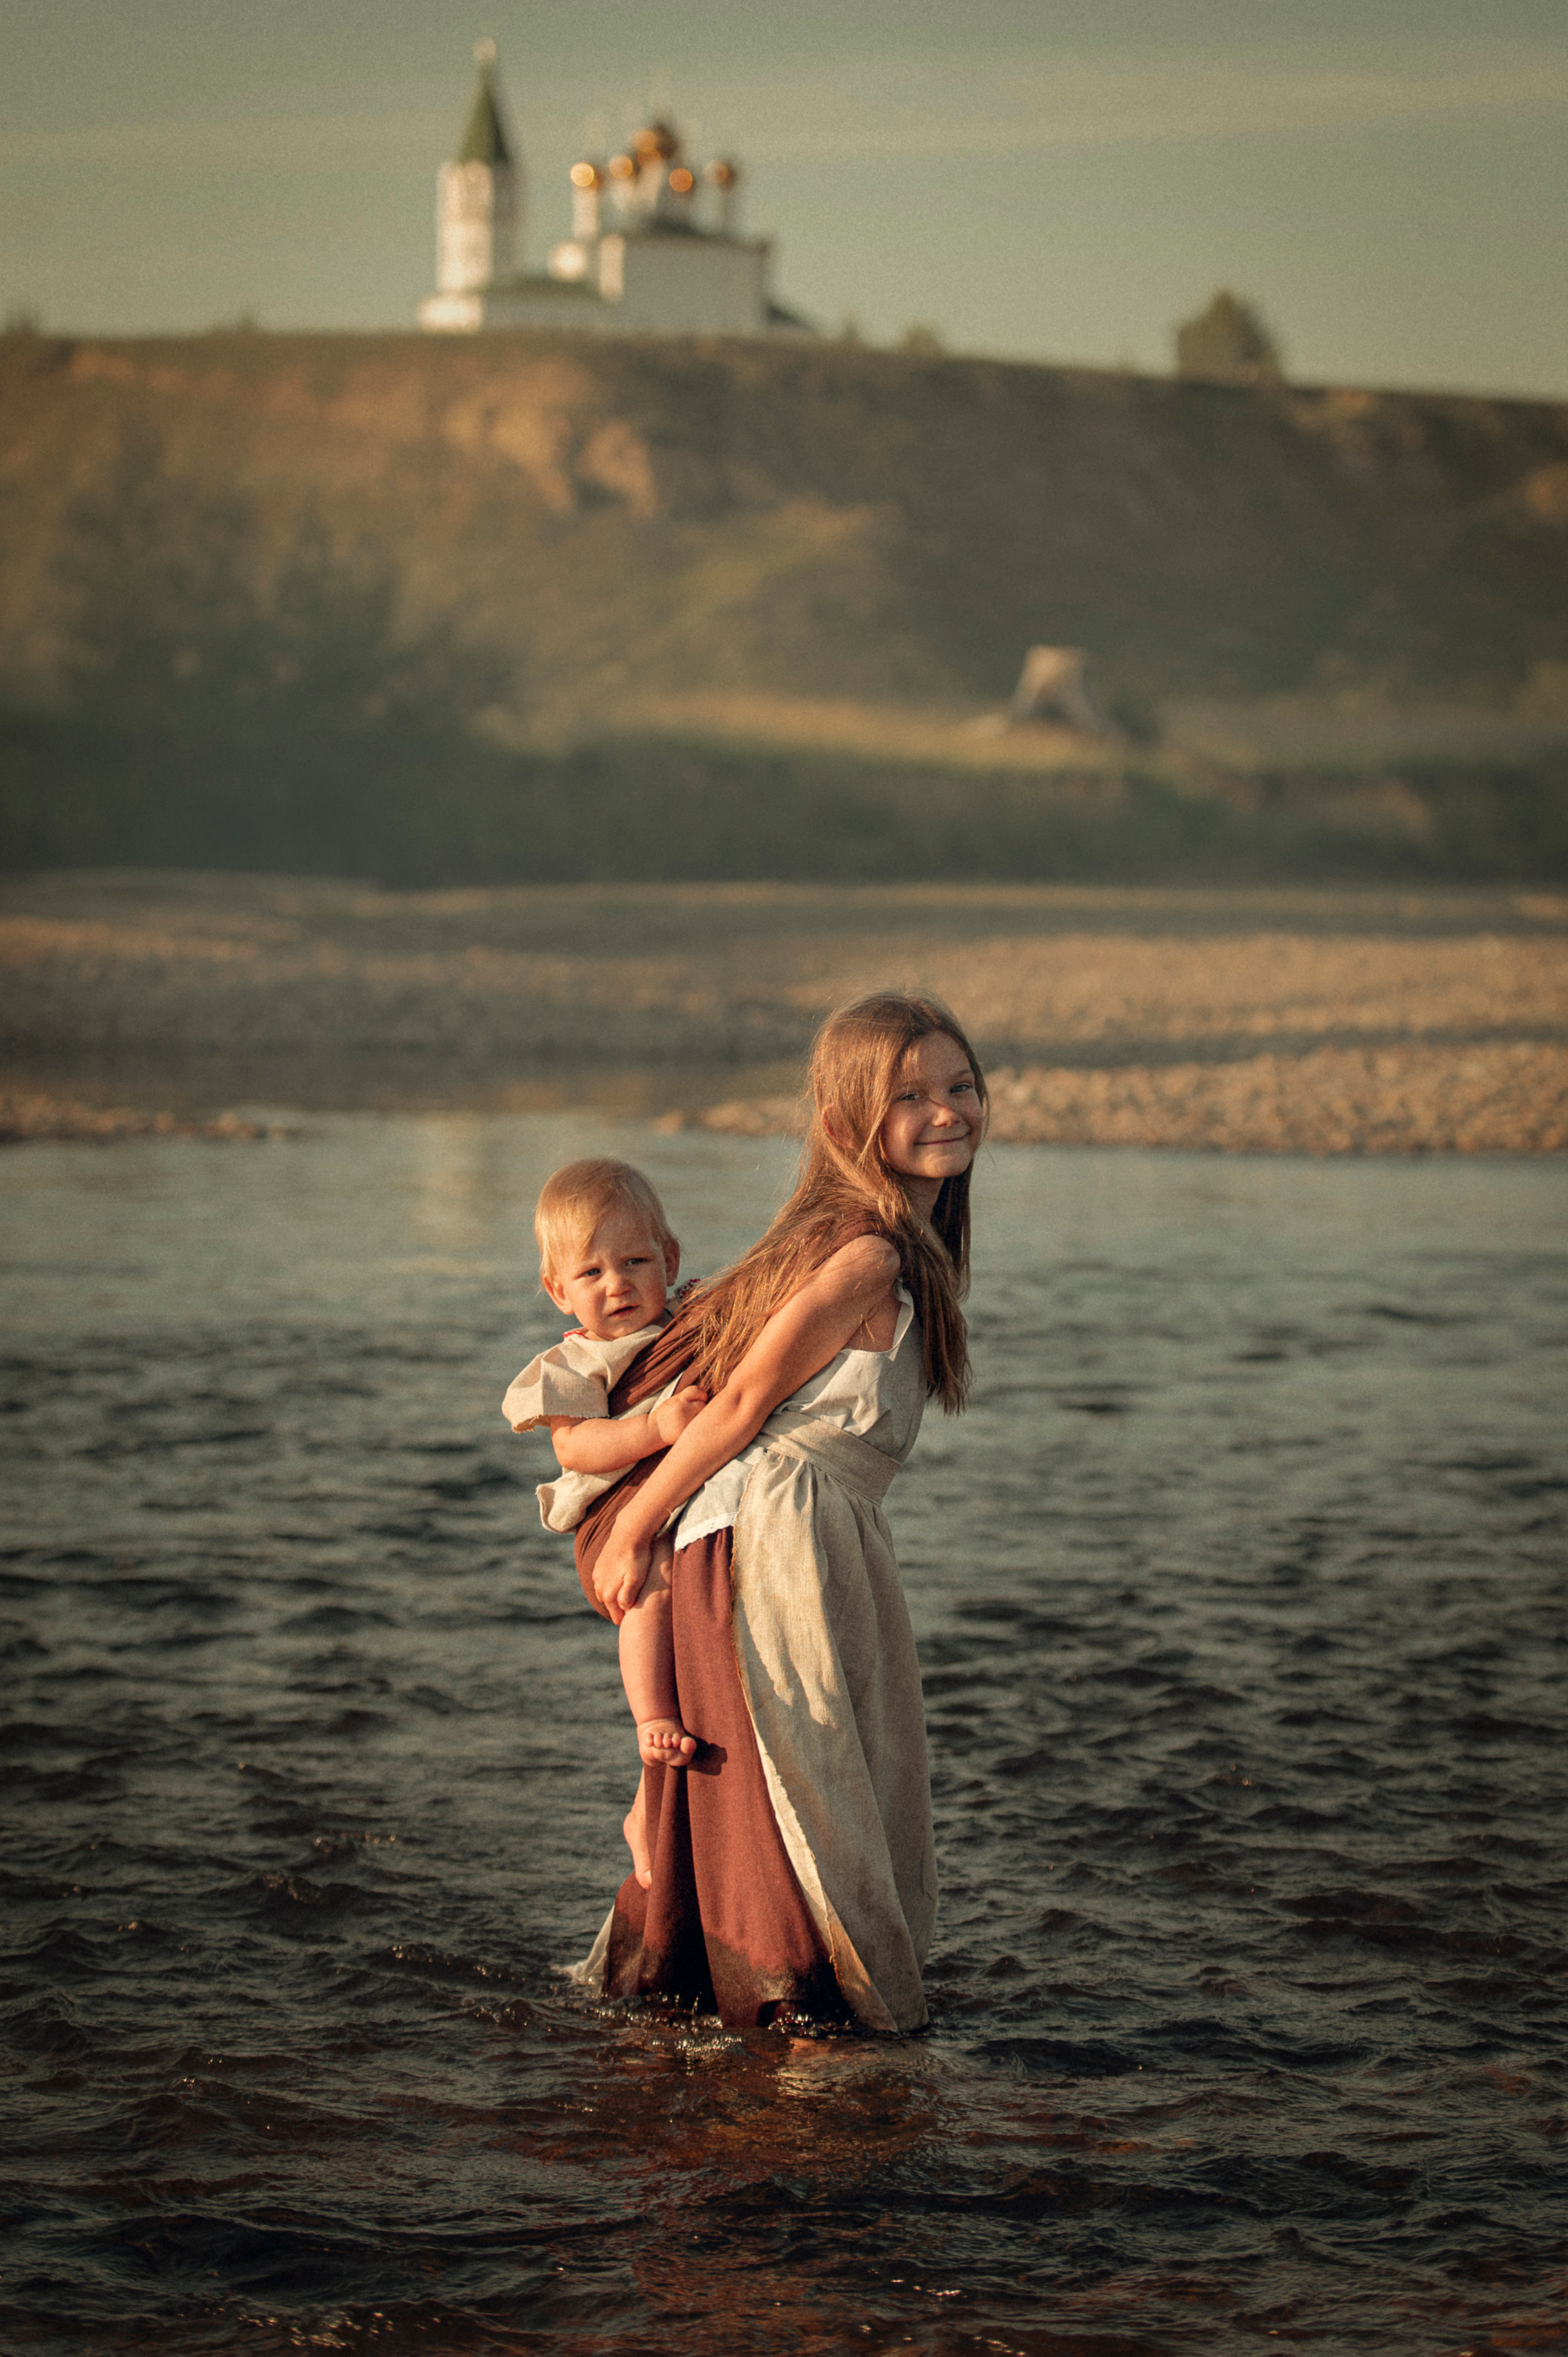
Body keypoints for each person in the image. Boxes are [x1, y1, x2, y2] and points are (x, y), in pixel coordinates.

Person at [570, 991, 986, 2034]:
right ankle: (795, 2034)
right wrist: (633, 1525)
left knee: (809, 1787)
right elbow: (745, 1404)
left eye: (962, 1085)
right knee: (796, 1792)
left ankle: (720, 2029)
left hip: (813, 1531)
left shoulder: (889, 1242)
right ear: (848, 1127)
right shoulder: (868, 1254)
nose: (948, 1111)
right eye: (912, 1097)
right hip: (770, 1533)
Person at [502, 1159, 709, 1885]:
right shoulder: (575, 1361)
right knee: (649, 1589)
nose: (616, 1284)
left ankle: (645, 1810)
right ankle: (646, 1716)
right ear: (559, 1292)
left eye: (635, 1262)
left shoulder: (688, 1319)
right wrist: (657, 1426)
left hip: (680, 1506)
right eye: (590, 1274)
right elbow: (576, 1446)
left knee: (705, 1677)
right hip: (619, 1522)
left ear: (670, 1261)